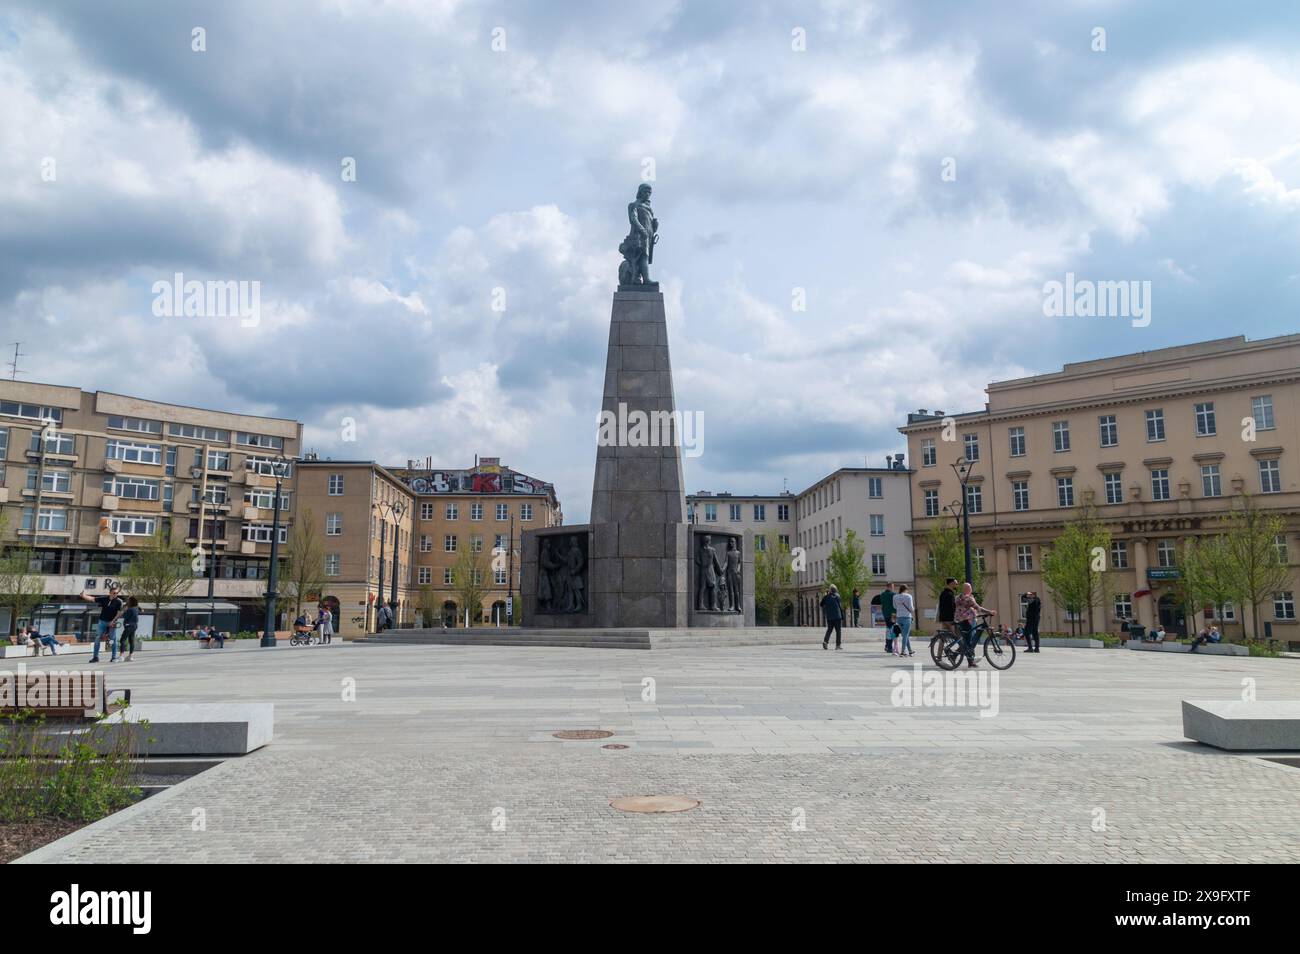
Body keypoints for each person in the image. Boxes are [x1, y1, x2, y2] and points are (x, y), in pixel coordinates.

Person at [79, 583, 124, 663]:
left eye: (117, 593)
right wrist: (84, 596)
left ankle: (113, 657)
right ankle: (95, 657)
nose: (115, 594)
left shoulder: (119, 602)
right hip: (102, 621)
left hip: (112, 622)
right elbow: (93, 599)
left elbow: (119, 613)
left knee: (113, 639)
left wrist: (112, 621)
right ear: (110, 593)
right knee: (97, 638)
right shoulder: (104, 599)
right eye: (114, 593)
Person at [954, 582, 994, 668]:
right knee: (969, 642)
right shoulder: (968, 598)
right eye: (970, 588)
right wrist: (989, 612)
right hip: (967, 620)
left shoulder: (957, 597)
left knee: (968, 642)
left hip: (960, 620)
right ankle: (958, 657)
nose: (971, 590)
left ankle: (969, 661)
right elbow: (978, 608)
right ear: (968, 589)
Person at [820, 584, 844, 650]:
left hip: (829, 616)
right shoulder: (837, 596)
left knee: (829, 630)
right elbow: (840, 605)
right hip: (837, 616)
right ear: (835, 590)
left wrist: (825, 595)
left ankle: (825, 641)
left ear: (830, 590)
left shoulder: (826, 597)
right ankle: (838, 645)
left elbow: (821, 604)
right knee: (838, 631)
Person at [894, 584, 915, 657]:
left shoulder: (895, 596)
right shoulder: (908, 596)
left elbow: (894, 606)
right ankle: (903, 652)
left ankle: (910, 651)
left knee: (905, 635)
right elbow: (911, 608)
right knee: (905, 635)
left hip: (899, 617)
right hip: (907, 617)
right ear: (906, 589)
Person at [120, 597, 140, 662]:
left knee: (122, 640)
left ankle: (121, 656)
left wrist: (124, 610)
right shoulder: (136, 608)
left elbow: (124, 616)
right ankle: (130, 656)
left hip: (129, 626)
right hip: (134, 626)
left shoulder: (130, 609)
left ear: (131, 601)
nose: (127, 601)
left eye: (128, 600)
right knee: (131, 640)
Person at [880, 583, 896, 653]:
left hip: (885, 614)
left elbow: (882, 605)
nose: (893, 588)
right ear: (890, 587)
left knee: (888, 630)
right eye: (893, 587)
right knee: (892, 630)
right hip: (893, 614)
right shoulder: (893, 595)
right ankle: (889, 647)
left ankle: (887, 645)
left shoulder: (882, 595)